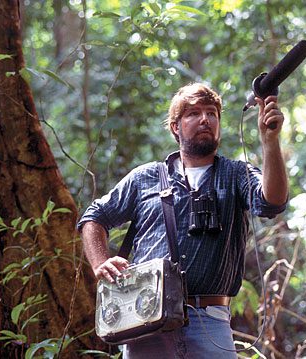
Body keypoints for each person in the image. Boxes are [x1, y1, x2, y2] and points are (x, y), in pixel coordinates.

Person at [78, 83, 288, 358]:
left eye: (212, 113)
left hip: (210, 321)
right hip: (147, 320)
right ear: (176, 126)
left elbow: (271, 200)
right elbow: (94, 216)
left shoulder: (236, 174)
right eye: (193, 113)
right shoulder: (146, 178)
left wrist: (270, 142)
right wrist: (100, 262)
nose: (205, 119)